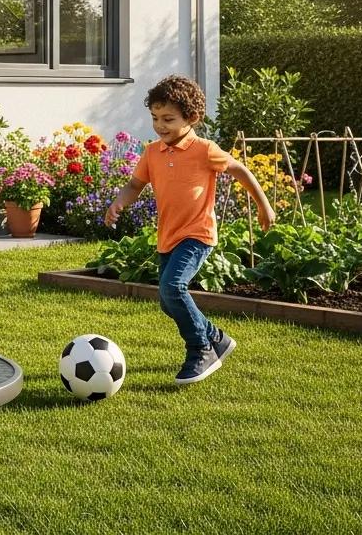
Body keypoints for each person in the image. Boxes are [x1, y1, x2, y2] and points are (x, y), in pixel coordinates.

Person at [106, 74, 276, 385]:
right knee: (167, 301)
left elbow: (241, 170)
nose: (160, 125)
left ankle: (201, 349)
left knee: (173, 289)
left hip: (197, 235)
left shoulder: (204, 150)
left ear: (192, 117)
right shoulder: (152, 152)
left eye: (168, 119)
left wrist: (264, 205)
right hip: (167, 237)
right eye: (156, 118)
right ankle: (216, 337)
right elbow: (135, 184)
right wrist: (119, 202)